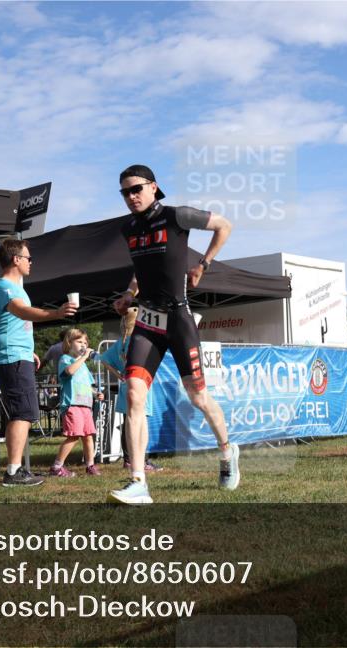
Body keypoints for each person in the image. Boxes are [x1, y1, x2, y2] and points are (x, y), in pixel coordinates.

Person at [110, 164, 236, 504]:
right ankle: (138, 482)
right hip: (147, 322)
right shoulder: (128, 229)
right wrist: (128, 294)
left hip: (178, 319)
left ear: (154, 187)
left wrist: (204, 264)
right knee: (135, 394)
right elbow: (141, 271)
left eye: (136, 189)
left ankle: (227, 452)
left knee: (198, 398)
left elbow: (224, 225)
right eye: (124, 192)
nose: (131, 196)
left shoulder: (176, 215)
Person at [0, 238, 77, 487]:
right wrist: (55, 314)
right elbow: (21, 311)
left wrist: (30, 351)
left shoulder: (14, 286)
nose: (31, 263)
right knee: (23, 413)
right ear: (16, 260)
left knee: (22, 412)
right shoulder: (6, 286)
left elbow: (15, 324)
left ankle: (15, 469)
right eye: (28, 258)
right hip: (12, 357)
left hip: (18, 355)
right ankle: (13, 472)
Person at [99, 307, 163, 472]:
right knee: (139, 423)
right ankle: (139, 460)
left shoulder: (122, 342)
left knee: (129, 422)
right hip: (139, 384)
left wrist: (118, 374)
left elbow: (104, 359)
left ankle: (130, 459)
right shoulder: (139, 339)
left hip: (127, 385)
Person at [50, 329, 104, 477]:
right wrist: (85, 357)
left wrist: (96, 394)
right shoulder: (65, 359)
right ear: (69, 343)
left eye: (85, 342)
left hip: (86, 406)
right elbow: (69, 372)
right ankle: (57, 467)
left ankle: (90, 465)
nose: (83, 345)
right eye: (79, 341)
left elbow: (87, 385)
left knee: (88, 436)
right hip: (72, 404)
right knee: (74, 436)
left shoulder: (84, 366)